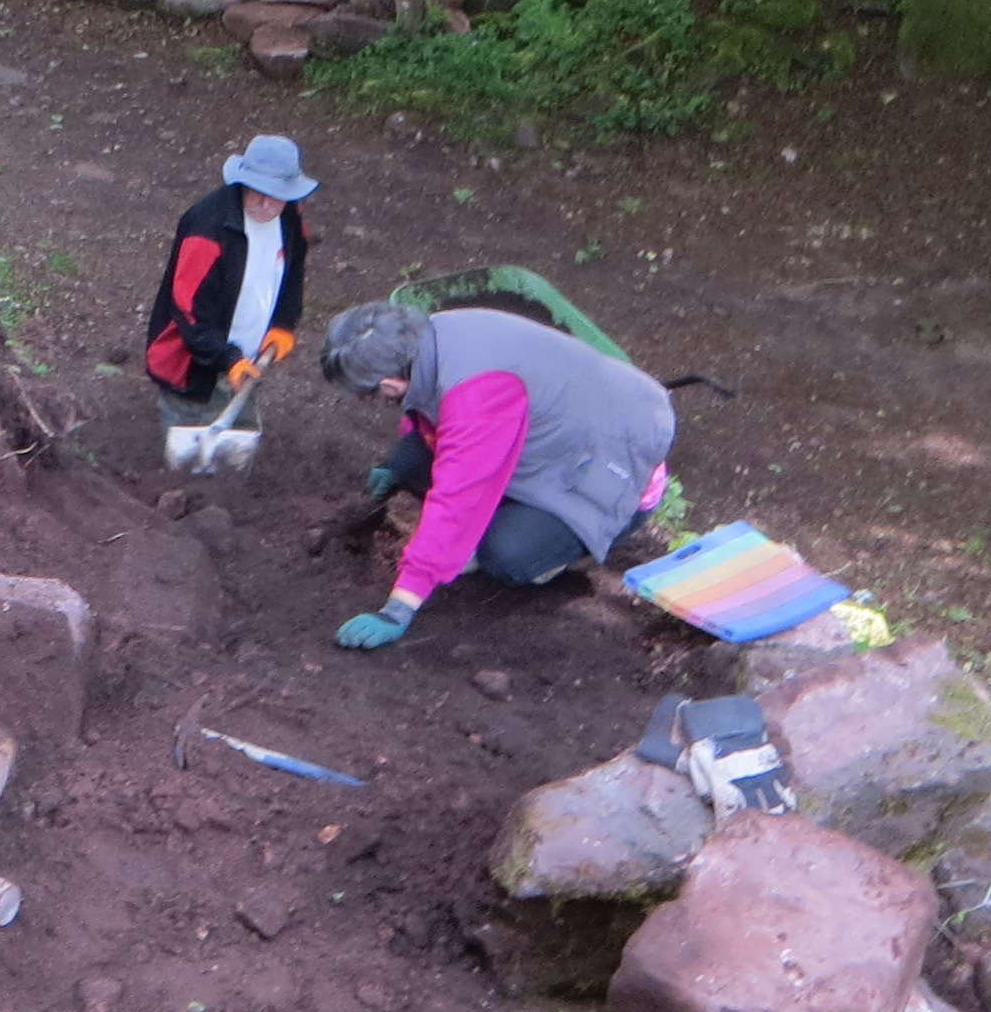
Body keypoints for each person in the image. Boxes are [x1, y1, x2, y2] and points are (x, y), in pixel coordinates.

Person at [318, 299, 678, 647]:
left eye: (372, 394)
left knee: (505, 552)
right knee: (410, 461)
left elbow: (458, 498)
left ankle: (552, 556)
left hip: (613, 469)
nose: (373, 401)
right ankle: (510, 515)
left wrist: (398, 608)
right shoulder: (427, 336)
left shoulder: (479, 394)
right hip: (552, 437)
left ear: (389, 383)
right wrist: (397, 462)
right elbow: (428, 403)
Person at [143, 134, 315, 405]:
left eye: (276, 196)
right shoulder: (207, 231)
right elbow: (190, 314)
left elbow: (292, 275)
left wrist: (283, 323)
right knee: (195, 425)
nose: (266, 204)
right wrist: (228, 358)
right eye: (259, 192)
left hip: (248, 360)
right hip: (194, 369)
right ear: (244, 182)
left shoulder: (289, 218)